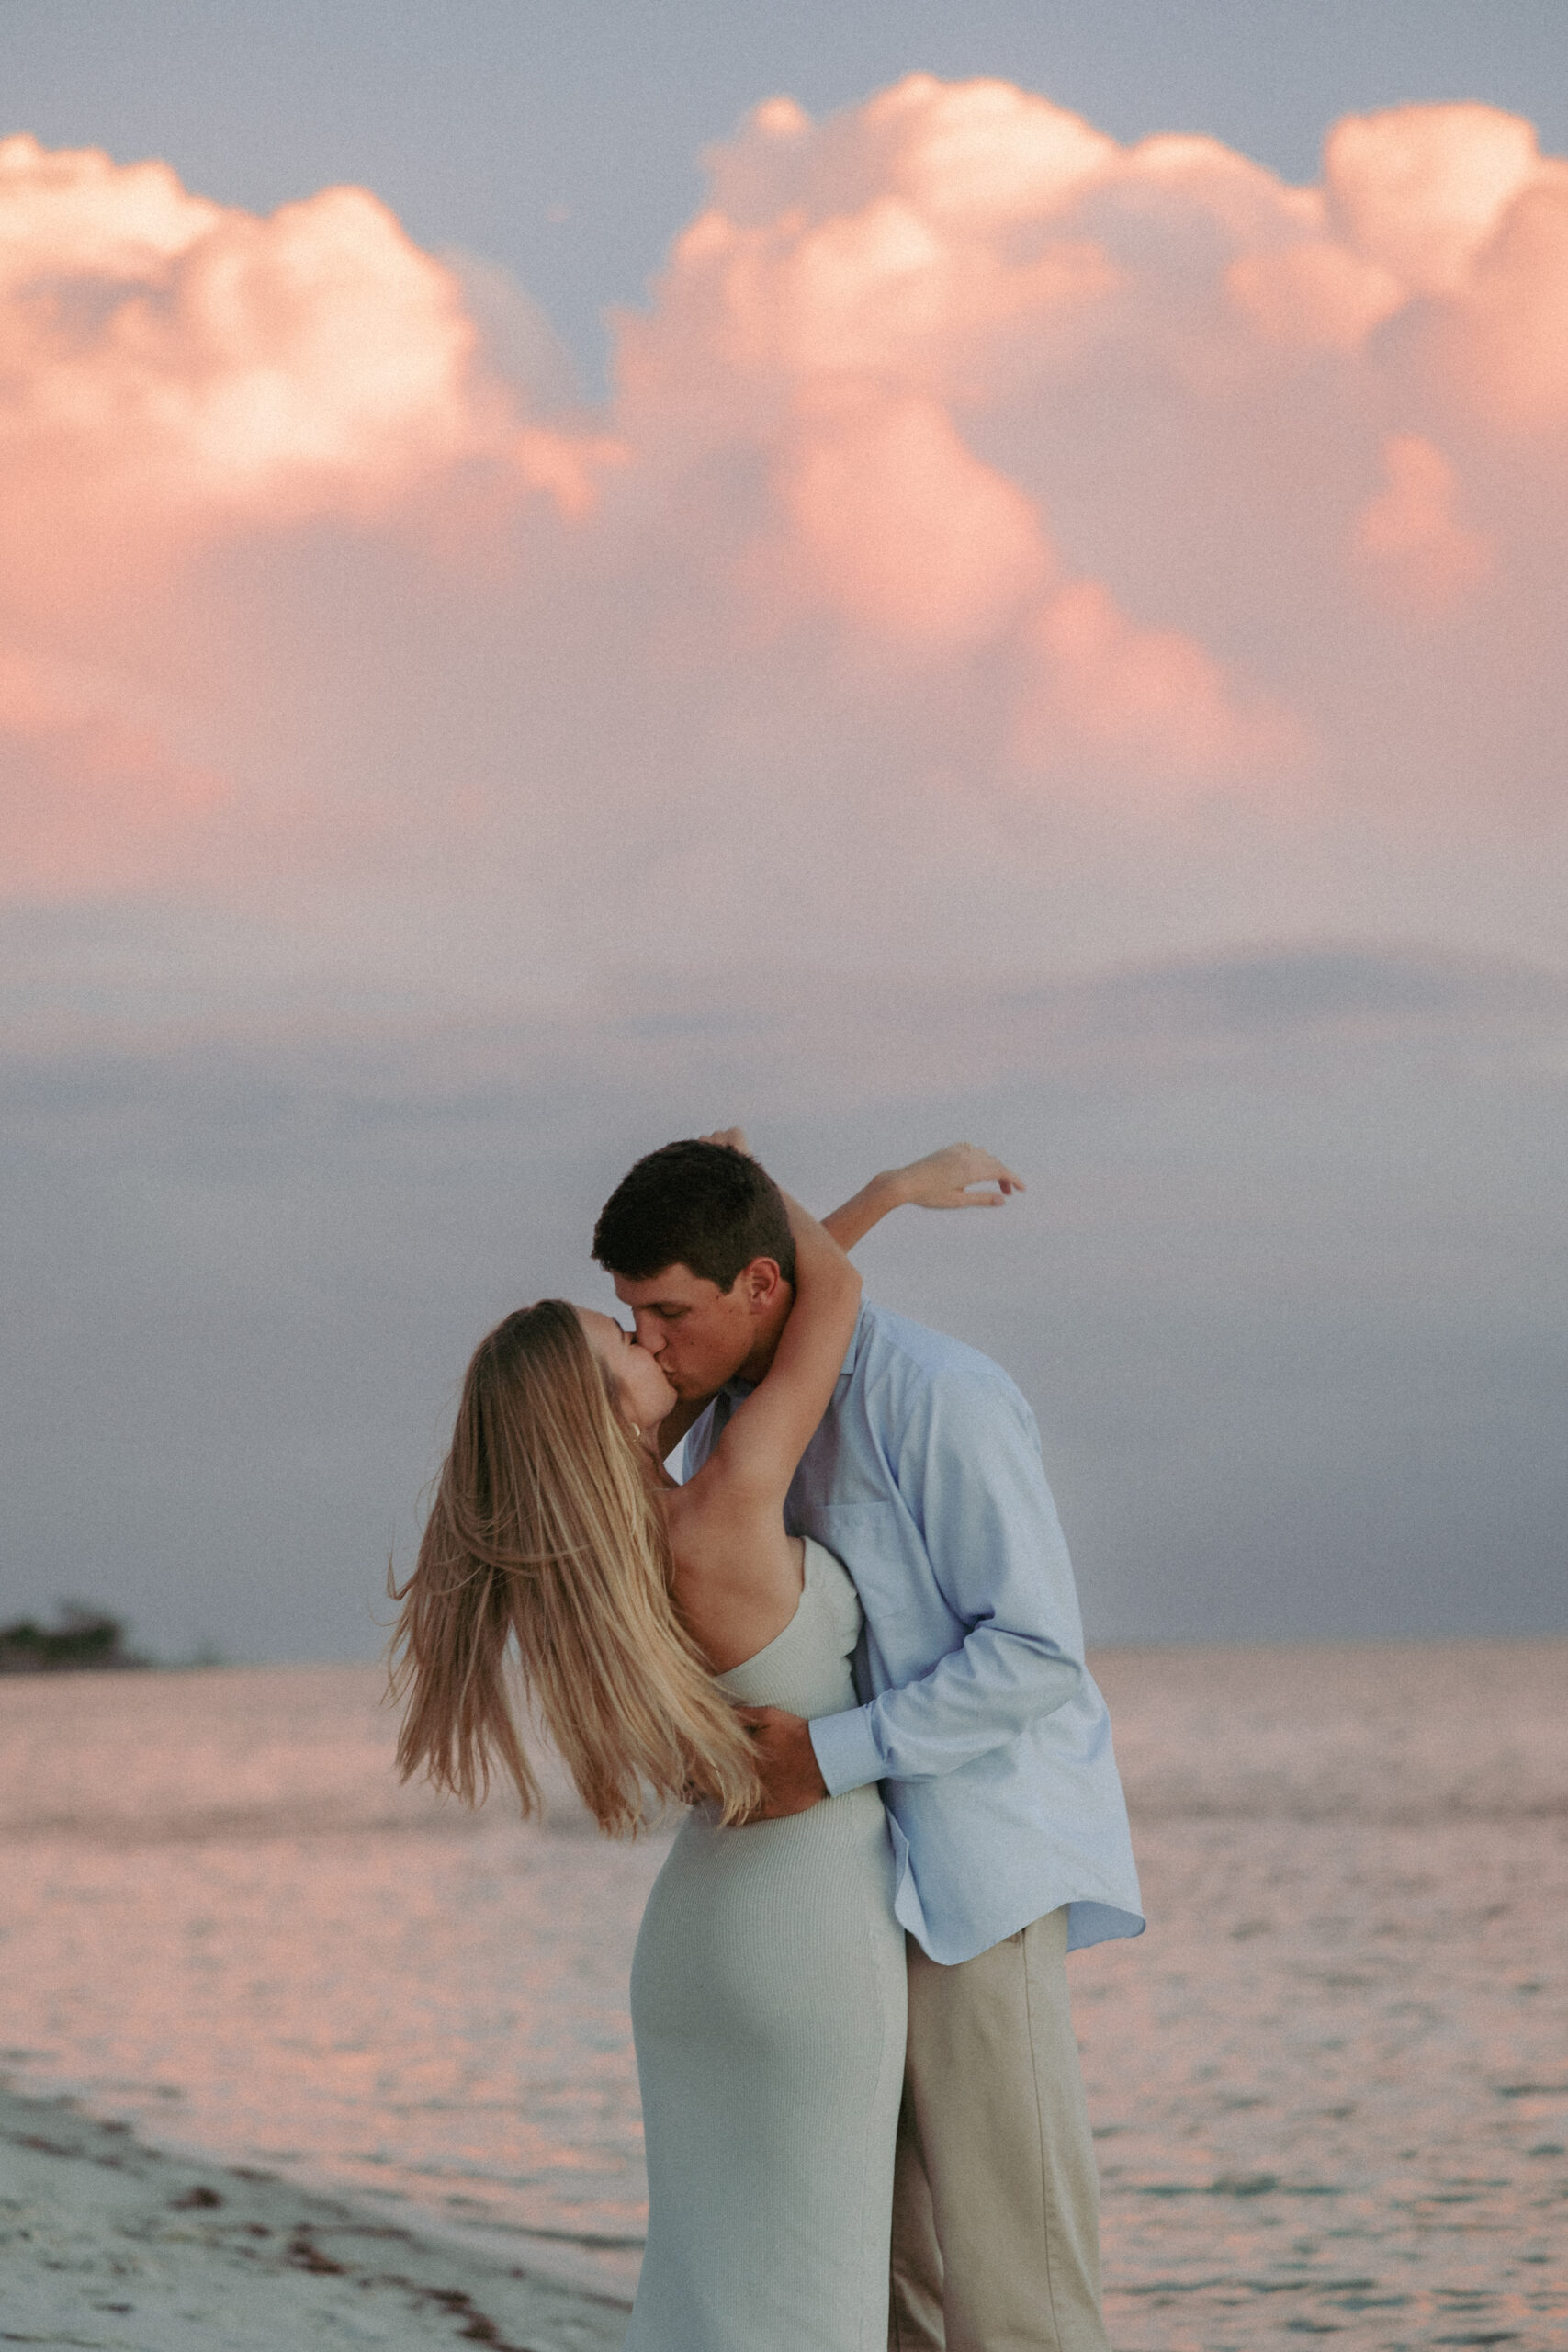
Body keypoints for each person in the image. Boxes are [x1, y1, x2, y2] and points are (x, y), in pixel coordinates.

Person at [390, 1139, 1014, 2350]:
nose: (655, 1344)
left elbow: (758, 1308)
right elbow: (816, 1296)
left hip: (696, 1945)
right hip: (802, 1929)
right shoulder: (721, 1507)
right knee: (809, 2287)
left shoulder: (611, 1558)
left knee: (714, 2281)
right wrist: (850, 1189)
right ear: (598, 1406)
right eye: (624, 1341)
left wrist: (745, 1225)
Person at [594, 1135, 1144, 2352]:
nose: (649, 1344)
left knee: (1020, 2281)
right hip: (828, 1903)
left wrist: (825, 1757)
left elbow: (1038, 1653)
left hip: (969, 1874)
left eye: (667, 1311)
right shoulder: (722, 1432)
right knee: (878, 2279)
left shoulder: (938, 1396)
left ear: (758, 1288)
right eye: (631, 1314)